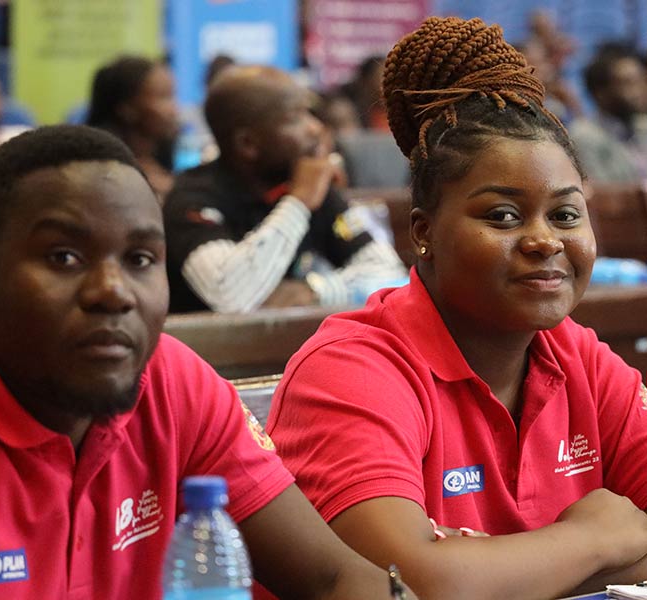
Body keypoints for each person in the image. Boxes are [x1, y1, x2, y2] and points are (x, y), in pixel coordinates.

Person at [267, 16, 647, 600]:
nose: (546, 240)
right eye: (502, 215)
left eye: (566, 215)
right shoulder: (351, 370)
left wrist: (492, 571)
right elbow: (409, 586)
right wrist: (598, 540)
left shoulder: (580, 358)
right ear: (423, 232)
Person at [0, 124, 413, 600]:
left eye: (141, 258)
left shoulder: (174, 381)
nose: (113, 290)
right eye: (64, 257)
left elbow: (331, 578)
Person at [163, 64, 406, 313]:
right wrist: (297, 203)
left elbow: (389, 273)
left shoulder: (308, 184)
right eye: (294, 118)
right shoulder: (192, 199)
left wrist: (316, 291)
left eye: (309, 114)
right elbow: (232, 297)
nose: (315, 128)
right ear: (248, 144)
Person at [86, 55, 180, 199]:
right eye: (163, 97)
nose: (174, 110)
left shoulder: (160, 158)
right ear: (127, 108)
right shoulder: (102, 175)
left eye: (172, 96)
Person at [569, 43, 647, 183]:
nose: (640, 90)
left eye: (640, 80)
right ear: (600, 93)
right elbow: (597, 195)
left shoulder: (642, 126)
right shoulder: (584, 135)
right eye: (628, 83)